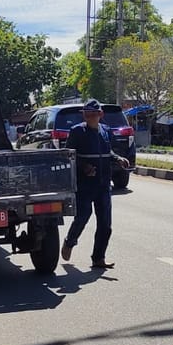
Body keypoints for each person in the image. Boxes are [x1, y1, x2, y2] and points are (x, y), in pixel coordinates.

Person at [60, 99, 129, 269]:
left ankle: (98, 258)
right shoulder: (77, 131)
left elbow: (108, 151)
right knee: (83, 216)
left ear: (100, 115)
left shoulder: (105, 131)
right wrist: (84, 167)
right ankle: (70, 242)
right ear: (84, 115)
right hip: (85, 184)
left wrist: (118, 159)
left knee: (105, 224)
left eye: (94, 114)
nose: (91, 117)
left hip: (104, 184)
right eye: (87, 114)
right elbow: (69, 156)